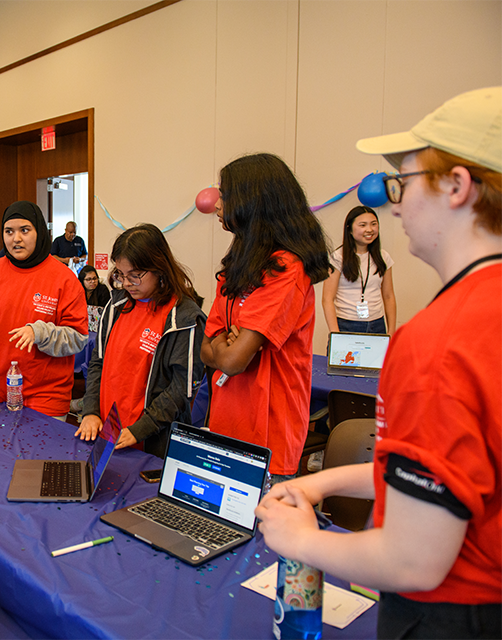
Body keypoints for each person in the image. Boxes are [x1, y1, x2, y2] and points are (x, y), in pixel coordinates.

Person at [256, 87, 502, 640]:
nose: (394, 206)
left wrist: (299, 539)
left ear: (458, 187)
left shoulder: (440, 338)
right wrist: (324, 484)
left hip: (455, 613)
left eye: (403, 183)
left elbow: (414, 559)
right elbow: (456, 474)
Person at [201, 153, 331, 482]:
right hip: (226, 422)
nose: (218, 204)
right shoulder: (237, 266)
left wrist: (225, 347)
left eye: (225, 195)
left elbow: (232, 362)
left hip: (267, 434)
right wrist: (223, 344)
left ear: (252, 202)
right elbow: (204, 349)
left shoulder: (286, 269)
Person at [75, 224, 205, 457]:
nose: (126, 283)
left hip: (151, 440)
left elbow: (180, 389)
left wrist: (139, 430)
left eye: (135, 276)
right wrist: (91, 410)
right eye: (120, 275)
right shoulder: (116, 306)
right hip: (108, 431)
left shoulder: (184, 317)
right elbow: (97, 363)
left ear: (159, 268)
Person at [0, 201, 88, 418]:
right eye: (9, 231)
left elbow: (78, 338)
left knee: (39, 453)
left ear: (39, 232)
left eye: (25, 230)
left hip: (46, 396)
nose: (16, 238)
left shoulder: (64, 279)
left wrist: (40, 333)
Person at [322, 205, 397, 334]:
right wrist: (335, 333)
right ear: (349, 229)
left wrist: (391, 331)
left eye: (373, 224)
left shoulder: (383, 257)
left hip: (377, 324)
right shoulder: (338, 257)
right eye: (362, 225)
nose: (369, 229)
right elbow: (327, 299)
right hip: (346, 323)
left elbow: (389, 296)